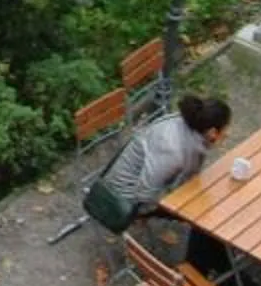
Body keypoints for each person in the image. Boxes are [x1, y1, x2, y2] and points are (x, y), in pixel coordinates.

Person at [95, 94, 233, 225]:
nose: (228, 134)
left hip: (137, 181)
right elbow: (144, 193)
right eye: (226, 129)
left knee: (198, 198)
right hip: (122, 198)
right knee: (196, 210)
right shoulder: (173, 153)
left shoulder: (185, 124)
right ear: (212, 132)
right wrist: (176, 202)